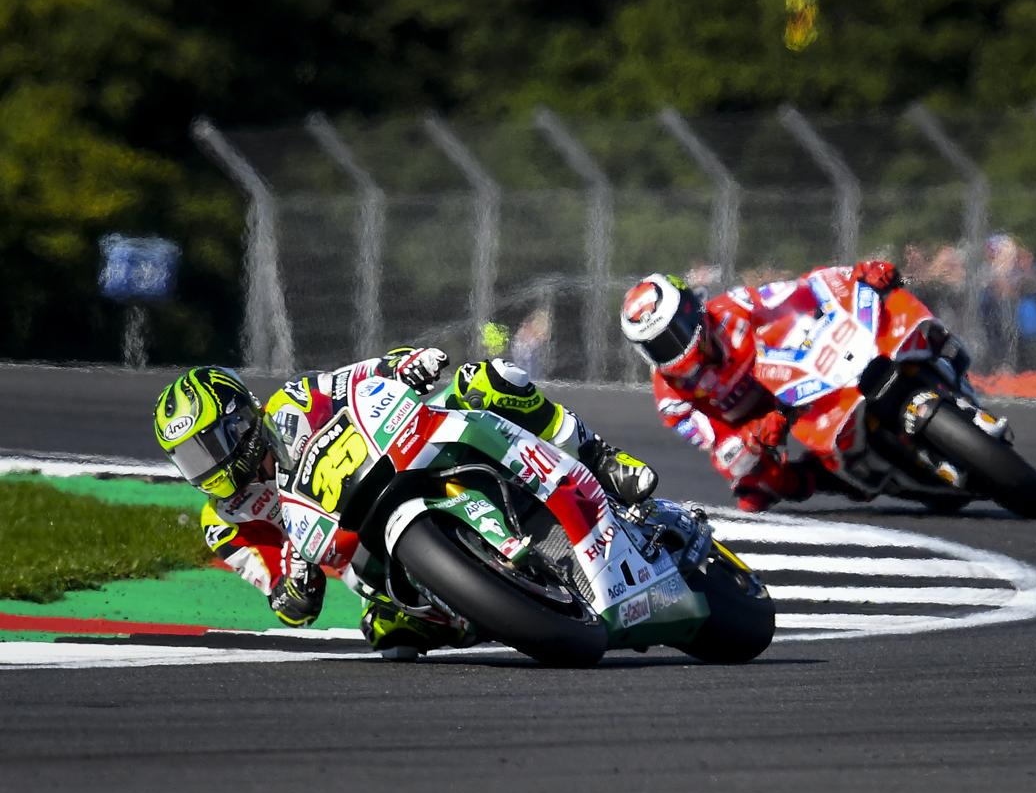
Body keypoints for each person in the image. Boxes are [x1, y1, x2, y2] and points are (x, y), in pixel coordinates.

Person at [152, 348, 657, 659]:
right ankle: (487, 607)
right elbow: (287, 604)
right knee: (386, 635)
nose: (206, 466)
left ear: (239, 421)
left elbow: (355, 377)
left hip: (398, 457)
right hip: (367, 555)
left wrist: (404, 365)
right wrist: (295, 582)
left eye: (208, 446)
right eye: (190, 458)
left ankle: (600, 457)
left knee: (489, 379)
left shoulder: (291, 403)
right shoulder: (225, 521)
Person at [619, 261, 903, 513]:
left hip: (794, 375)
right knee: (749, 481)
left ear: (691, 310)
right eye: (658, 346)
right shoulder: (671, 400)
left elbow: (801, 290)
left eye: (676, 333)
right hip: (754, 423)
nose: (674, 349)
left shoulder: (735, 307)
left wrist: (856, 275)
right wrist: (755, 435)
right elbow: (720, 447)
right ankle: (829, 479)